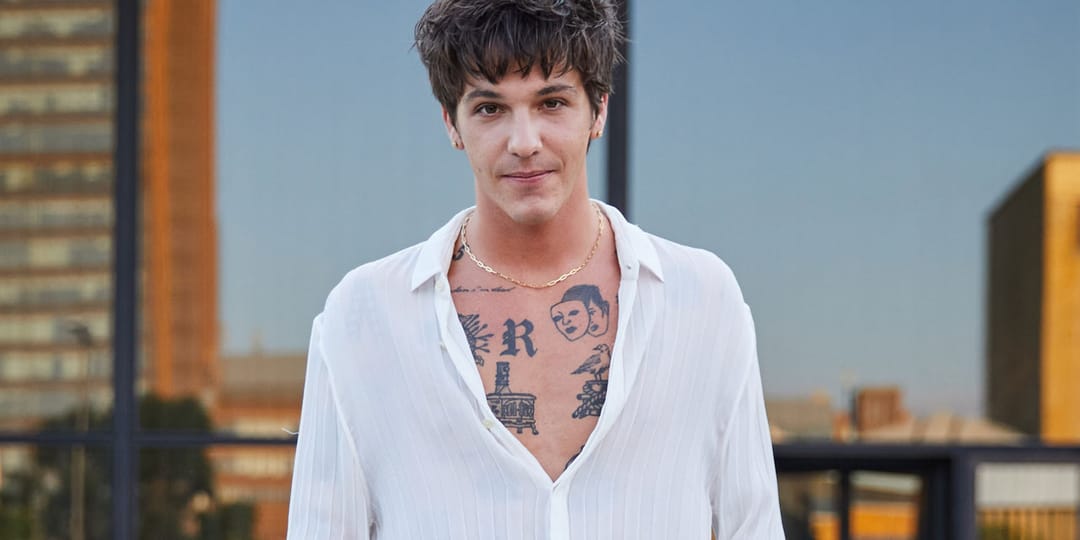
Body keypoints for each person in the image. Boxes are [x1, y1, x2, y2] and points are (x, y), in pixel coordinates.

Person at [286, 0, 784, 538]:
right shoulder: (362, 317)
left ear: (599, 111)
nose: (524, 143)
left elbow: (754, 527)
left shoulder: (704, 300)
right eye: (490, 108)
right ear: (452, 123)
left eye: (552, 102)